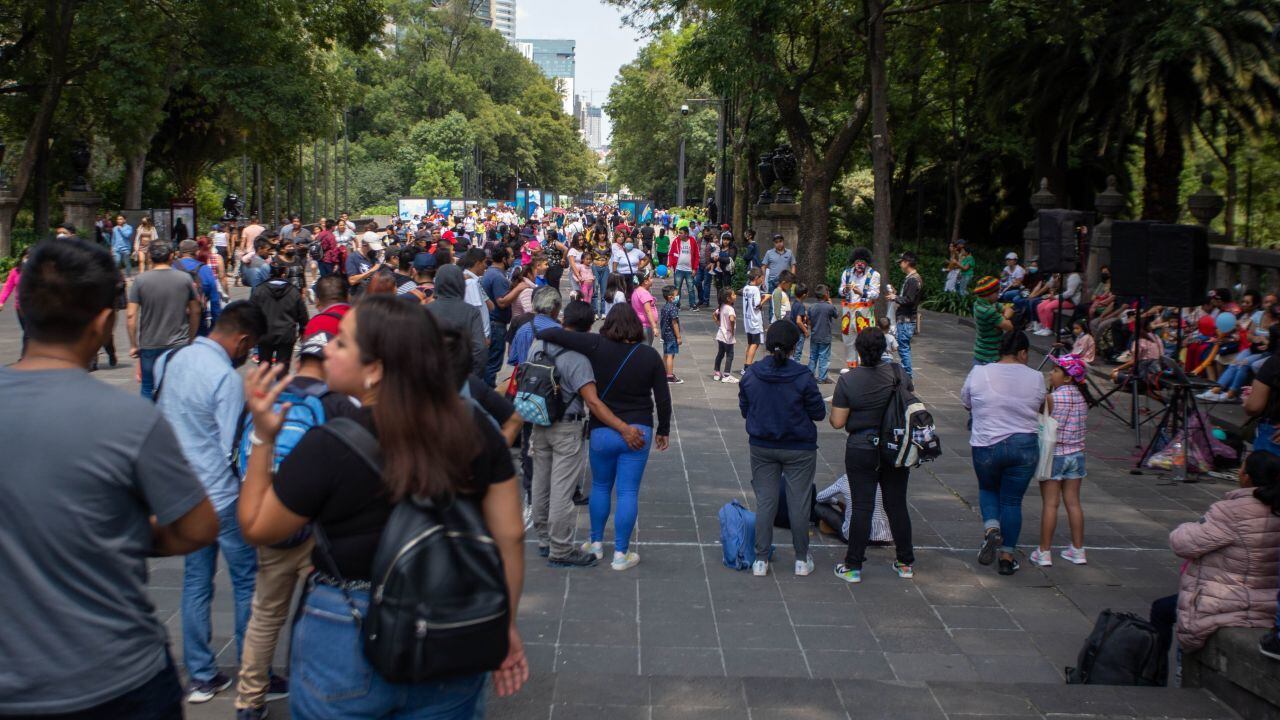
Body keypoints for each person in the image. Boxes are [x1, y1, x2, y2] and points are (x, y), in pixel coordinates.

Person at [236, 296, 529, 717]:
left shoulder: (329, 442)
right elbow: (510, 535)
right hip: (451, 618)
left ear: (374, 369)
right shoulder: (474, 427)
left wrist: (263, 437)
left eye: (341, 343)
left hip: (346, 623)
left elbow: (257, 526)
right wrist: (505, 622)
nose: (326, 350)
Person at [0, 238, 218, 718]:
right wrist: (121, 532)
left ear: (22, 306)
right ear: (103, 323)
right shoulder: (131, 420)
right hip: (116, 677)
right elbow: (198, 527)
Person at [233, 331, 359, 720]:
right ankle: (316, 686)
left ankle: (249, 699)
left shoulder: (270, 397)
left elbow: (243, 451)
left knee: (266, 612)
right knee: (322, 610)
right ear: (326, 362)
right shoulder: (336, 404)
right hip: (320, 530)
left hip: (271, 520)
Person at [153, 301, 267, 703]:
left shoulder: (172, 359)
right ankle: (255, 673)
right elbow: (232, 449)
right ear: (242, 340)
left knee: (195, 583)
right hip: (221, 496)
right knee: (244, 581)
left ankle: (201, 675)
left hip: (183, 494)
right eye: (249, 350)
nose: (247, 357)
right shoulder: (224, 378)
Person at [536, 305, 670, 571]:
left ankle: (595, 543)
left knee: (599, 487)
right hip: (638, 430)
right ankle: (621, 553)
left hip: (602, 429)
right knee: (628, 491)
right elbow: (662, 397)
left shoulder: (596, 345)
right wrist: (663, 430)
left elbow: (552, 333)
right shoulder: (650, 355)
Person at [529, 297, 638, 568]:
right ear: (589, 327)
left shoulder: (537, 344)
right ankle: (561, 548)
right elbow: (592, 401)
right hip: (566, 426)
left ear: (564, 319)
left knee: (540, 483)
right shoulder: (577, 359)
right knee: (562, 490)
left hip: (538, 421)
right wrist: (623, 428)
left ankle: (543, 539)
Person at [1154, 450, 1280, 658]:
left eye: (1241, 467)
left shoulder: (1233, 511)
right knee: (1166, 607)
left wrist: (1191, 525)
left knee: (1172, 612)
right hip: (1268, 604)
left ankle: (1167, 673)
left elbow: (1182, 543)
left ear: (1246, 477)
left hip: (1230, 602)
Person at [828, 327, 917, 583]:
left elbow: (837, 421)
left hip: (861, 448)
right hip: (895, 447)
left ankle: (853, 565)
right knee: (897, 504)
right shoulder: (899, 374)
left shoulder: (848, 380)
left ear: (858, 349)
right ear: (885, 348)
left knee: (862, 506)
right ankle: (905, 563)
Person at [739, 320, 825, 577]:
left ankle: (761, 560)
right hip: (799, 447)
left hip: (763, 445)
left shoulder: (752, 374)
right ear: (794, 346)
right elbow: (818, 413)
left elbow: (745, 408)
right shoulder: (802, 375)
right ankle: (801, 559)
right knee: (799, 501)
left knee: (765, 501)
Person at [962, 331, 1045, 576]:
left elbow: (966, 401)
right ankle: (1007, 557)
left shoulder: (979, 372)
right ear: (1022, 353)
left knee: (988, 488)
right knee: (1012, 501)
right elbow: (1041, 405)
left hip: (986, 444)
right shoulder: (1037, 377)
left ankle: (991, 529)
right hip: (1024, 446)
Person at [1030, 353, 1090, 568]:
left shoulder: (1052, 398)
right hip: (1077, 455)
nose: (1051, 373)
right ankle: (1078, 549)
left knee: (1050, 503)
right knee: (1073, 502)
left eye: (1055, 371)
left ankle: (1044, 551)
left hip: (1054, 455)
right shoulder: (1083, 398)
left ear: (1067, 378)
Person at [128, 242, 202, 399]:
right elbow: (196, 310)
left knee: (148, 387)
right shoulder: (184, 279)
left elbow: (131, 315)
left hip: (149, 343)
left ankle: (149, 421)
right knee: (177, 386)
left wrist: (134, 345)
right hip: (178, 343)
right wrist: (191, 337)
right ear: (171, 256)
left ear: (150, 257)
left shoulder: (140, 280)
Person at [428, 263, 488, 378]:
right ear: (461, 285)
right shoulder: (471, 312)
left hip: (432, 379)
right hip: (462, 377)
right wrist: (472, 378)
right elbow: (480, 349)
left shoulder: (425, 310)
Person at [249, 263, 308, 367]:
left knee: (264, 369)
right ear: (284, 274)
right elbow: (303, 315)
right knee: (282, 370)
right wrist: (303, 330)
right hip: (286, 335)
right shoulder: (293, 291)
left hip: (264, 335)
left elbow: (250, 313)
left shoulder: (259, 290)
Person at [484, 246, 523, 387]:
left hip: (494, 324)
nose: (513, 259)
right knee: (493, 365)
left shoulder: (494, 273)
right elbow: (501, 302)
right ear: (503, 259)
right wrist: (519, 288)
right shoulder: (497, 276)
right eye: (511, 256)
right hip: (496, 325)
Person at [838, 248, 881, 371]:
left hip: (864, 312)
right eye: (857, 261)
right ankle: (852, 367)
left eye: (862, 261)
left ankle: (865, 367)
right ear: (854, 262)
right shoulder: (847, 273)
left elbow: (875, 294)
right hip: (848, 312)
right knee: (848, 340)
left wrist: (862, 293)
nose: (859, 264)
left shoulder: (874, 275)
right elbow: (840, 290)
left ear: (866, 262)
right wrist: (845, 290)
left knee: (865, 340)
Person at [175, 238, 223, 334]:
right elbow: (215, 300)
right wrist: (215, 324)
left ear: (179, 253)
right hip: (199, 322)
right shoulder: (205, 269)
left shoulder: (172, 267)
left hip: (174, 322)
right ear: (197, 252)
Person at [890, 251, 923, 377]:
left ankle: (908, 377)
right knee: (904, 347)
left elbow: (909, 300)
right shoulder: (912, 278)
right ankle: (907, 375)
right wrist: (896, 294)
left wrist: (895, 297)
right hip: (906, 318)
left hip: (906, 318)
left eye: (901, 262)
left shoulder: (913, 280)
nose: (900, 265)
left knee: (903, 349)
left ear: (907, 262)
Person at [971, 275, 1013, 366]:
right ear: (990, 293)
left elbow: (1008, 308)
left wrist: (1003, 314)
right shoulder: (987, 310)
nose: (998, 296)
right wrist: (1006, 317)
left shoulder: (982, 303)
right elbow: (1009, 327)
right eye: (997, 293)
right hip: (988, 357)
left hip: (983, 353)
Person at [806, 285, 838, 384]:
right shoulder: (829, 307)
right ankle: (822, 377)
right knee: (824, 357)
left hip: (815, 335)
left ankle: (810, 376)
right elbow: (836, 315)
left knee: (813, 357)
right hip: (825, 336)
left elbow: (808, 319)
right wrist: (831, 303)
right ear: (825, 295)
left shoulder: (812, 307)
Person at [668, 224, 698, 310]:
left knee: (691, 288)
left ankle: (693, 305)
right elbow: (670, 254)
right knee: (677, 288)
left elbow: (696, 256)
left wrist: (695, 268)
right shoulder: (676, 241)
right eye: (679, 233)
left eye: (681, 233)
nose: (679, 234)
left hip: (689, 270)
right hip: (679, 269)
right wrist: (670, 264)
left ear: (686, 234)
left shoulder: (692, 241)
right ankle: (677, 305)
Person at [742, 268, 767, 371]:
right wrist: (765, 299)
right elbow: (756, 305)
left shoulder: (746, 288)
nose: (762, 280)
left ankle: (745, 365)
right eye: (762, 278)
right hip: (755, 321)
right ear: (757, 278)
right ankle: (748, 366)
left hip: (747, 319)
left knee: (750, 343)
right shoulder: (756, 289)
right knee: (755, 344)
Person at [713, 287, 738, 383]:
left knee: (720, 353)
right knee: (730, 355)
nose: (735, 296)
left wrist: (719, 323)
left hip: (720, 334)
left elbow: (714, 315)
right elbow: (732, 319)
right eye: (734, 295)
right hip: (727, 336)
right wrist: (731, 330)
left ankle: (717, 372)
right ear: (728, 298)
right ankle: (727, 374)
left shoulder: (722, 306)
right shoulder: (730, 309)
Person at [659, 284, 683, 384]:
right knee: (670, 355)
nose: (678, 296)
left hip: (665, 334)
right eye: (676, 295)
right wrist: (678, 336)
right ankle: (669, 376)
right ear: (670, 297)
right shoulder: (673, 308)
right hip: (671, 335)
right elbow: (674, 323)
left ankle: (664, 373)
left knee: (665, 354)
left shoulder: (664, 307)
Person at [631, 270, 660, 345]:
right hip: (645, 327)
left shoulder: (636, 291)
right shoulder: (644, 294)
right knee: (646, 348)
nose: (652, 279)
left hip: (639, 324)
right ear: (645, 281)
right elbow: (648, 311)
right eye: (650, 278)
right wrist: (654, 327)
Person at [789, 283, 810, 363]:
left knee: (793, 353)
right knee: (797, 354)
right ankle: (795, 369)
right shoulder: (801, 306)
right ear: (804, 295)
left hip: (793, 332)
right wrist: (805, 331)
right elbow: (798, 321)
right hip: (799, 333)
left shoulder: (794, 304)